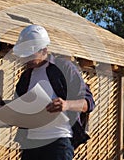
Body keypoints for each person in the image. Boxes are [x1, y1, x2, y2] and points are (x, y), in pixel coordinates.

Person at [12, 25, 95, 160]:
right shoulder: (25, 77)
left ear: (44, 50)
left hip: (58, 142)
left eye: (30, 55)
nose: (26, 59)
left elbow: (88, 103)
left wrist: (66, 105)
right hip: (31, 143)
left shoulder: (64, 68)